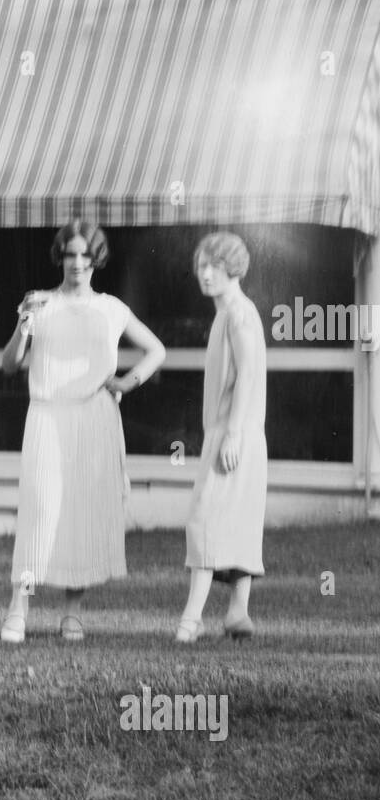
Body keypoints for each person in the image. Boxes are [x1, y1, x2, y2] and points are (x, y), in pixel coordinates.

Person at [0, 220, 166, 643]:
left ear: (97, 259)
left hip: (94, 418)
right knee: (40, 512)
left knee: (83, 516)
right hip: (47, 416)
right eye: (70, 255)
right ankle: (19, 608)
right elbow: (9, 363)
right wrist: (24, 323)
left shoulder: (111, 309)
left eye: (85, 255)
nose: (77, 263)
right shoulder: (40, 302)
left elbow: (156, 350)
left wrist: (126, 382)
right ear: (61, 257)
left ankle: (72, 613)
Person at [176, 232, 267, 643]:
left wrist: (231, 434)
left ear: (234, 269)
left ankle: (191, 618)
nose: (207, 274)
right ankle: (237, 613)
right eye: (202, 266)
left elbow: (246, 373)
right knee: (235, 521)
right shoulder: (227, 313)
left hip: (235, 433)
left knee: (205, 519)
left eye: (215, 266)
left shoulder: (238, 313)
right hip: (236, 432)